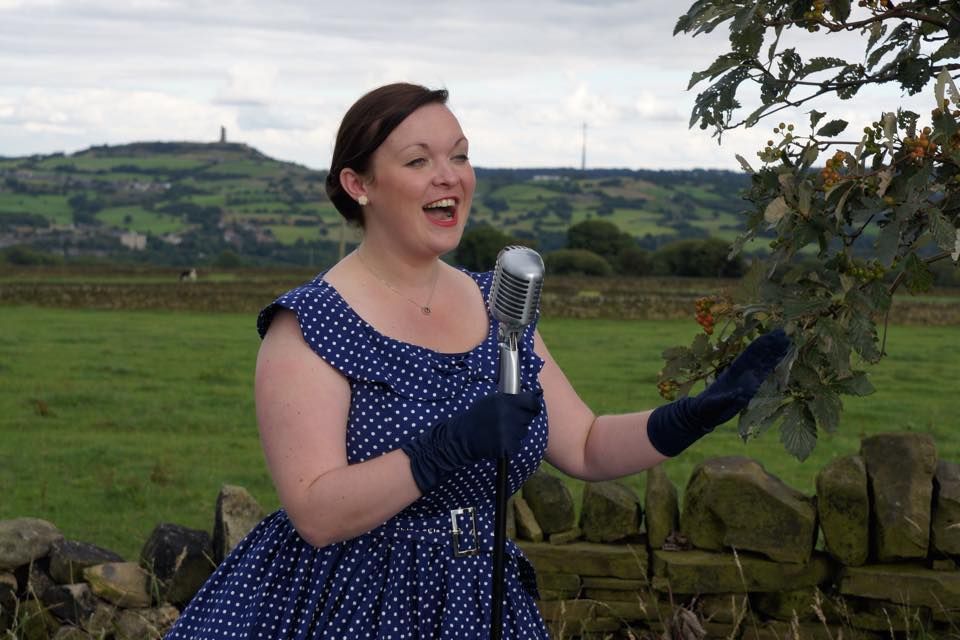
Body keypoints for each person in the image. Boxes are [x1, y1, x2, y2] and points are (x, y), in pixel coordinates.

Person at [164, 82, 790, 639]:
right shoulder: (309, 324)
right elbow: (317, 513)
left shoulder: (499, 306)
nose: (450, 176)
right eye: (419, 161)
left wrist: (693, 415)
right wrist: (447, 446)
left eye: (459, 155)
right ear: (360, 186)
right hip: (345, 601)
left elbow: (590, 446)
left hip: (477, 598)